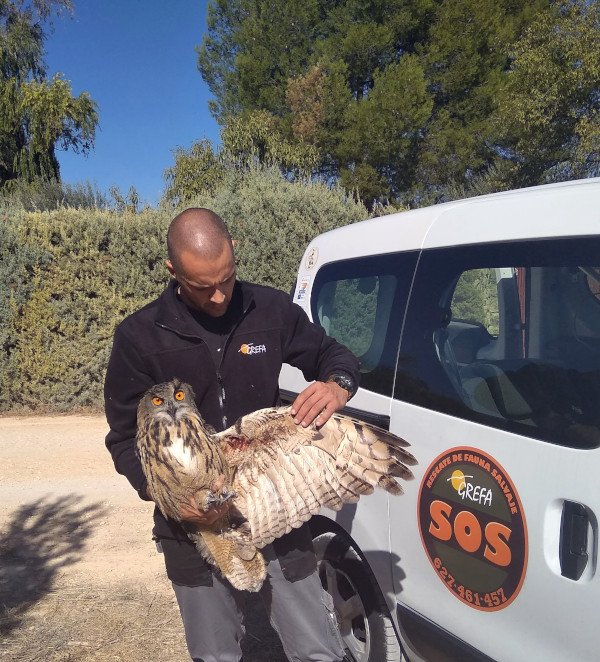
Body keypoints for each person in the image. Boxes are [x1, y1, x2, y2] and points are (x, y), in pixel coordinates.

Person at [104, 207, 360, 662]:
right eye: (203, 286)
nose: (220, 296)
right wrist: (161, 494)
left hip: (273, 499)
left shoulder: (270, 308)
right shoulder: (140, 337)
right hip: (190, 522)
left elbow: (330, 354)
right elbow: (124, 438)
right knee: (215, 654)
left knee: (317, 650)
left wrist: (337, 384)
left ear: (234, 252)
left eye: (227, 277)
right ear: (172, 271)